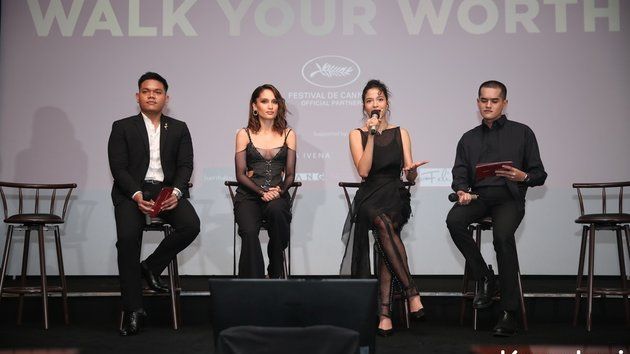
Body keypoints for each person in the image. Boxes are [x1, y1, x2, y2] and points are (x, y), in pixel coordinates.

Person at [446, 80, 547, 337]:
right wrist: (462, 191)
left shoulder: (522, 132)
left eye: (493, 101)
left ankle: (508, 312)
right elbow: (459, 174)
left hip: (509, 198)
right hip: (478, 198)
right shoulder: (468, 139)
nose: (488, 105)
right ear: (477, 102)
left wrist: (522, 176)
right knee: (454, 221)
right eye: (483, 100)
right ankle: (486, 277)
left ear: (504, 103)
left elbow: (539, 174)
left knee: (502, 237)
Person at [108, 72, 200, 336]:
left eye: (157, 92)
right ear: (137, 96)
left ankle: (150, 266)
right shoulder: (122, 126)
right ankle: (134, 311)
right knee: (127, 240)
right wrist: (137, 195)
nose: (151, 95)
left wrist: (178, 193)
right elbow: (119, 168)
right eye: (146, 91)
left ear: (166, 98)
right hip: (131, 193)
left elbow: (185, 165)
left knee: (191, 225)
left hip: (167, 191)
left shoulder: (179, 127)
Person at [340, 79, 428, 336]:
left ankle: (385, 313)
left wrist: (411, 174)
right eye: (369, 100)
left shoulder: (402, 133)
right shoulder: (356, 134)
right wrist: (372, 135)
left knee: (385, 231)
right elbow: (364, 170)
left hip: (394, 193)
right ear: (364, 107)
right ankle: (411, 291)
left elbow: (410, 176)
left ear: (387, 103)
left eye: (379, 99)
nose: (375, 104)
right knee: (381, 224)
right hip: (370, 195)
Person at [233, 84, 296, 279]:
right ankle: (253, 282)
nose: (270, 106)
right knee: (250, 232)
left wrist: (279, 190)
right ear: (254, 106)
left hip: (276, 195)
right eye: (264, 101)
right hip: (249, 195)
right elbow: (240, 174)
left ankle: (275, 271)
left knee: (278, 212)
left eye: (274, 101)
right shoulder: (244, 134)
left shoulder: (288, 134)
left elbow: (291, 174)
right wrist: (262, 192)